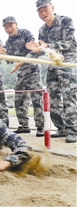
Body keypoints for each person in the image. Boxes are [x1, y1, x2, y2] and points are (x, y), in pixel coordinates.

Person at [25, 0, 77, 143]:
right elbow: (42, 50)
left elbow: (68, 42)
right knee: (53, 97)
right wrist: (30, 54)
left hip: (67, 62)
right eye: (39, 11)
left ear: (52, 8)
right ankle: (62, 128)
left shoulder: (66, 21)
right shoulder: (42, 30)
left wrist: (47, 46)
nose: (43, 13)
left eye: (45, 9)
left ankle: (73, 130)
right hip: (52, 65)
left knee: (69, 96)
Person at [0, 16, 44, 137]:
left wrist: (22, 61)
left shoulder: (25, 33)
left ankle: (40, 126)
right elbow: (11, 60)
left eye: (11, 25)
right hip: (20, 73)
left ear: (16, 24)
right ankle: (24, 125)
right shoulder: (8, 42)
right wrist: (3, 53)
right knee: (19, 100)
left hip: (32, 70)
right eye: (6, 26)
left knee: (37, 99)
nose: (9, 28)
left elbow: (33, 51)